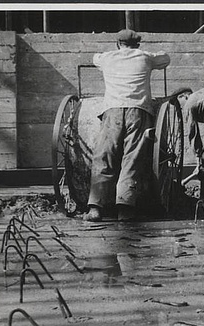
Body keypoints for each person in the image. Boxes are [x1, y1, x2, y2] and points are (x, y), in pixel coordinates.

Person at [84, 29, 170, 222]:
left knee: (104, 155)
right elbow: (165, 59)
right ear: (137, 44)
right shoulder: (145, 56)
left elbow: (94, 57)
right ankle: (125, 208)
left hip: (112, 110)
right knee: (132, 159)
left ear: (118, 43)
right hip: (138, 111)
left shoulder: (107, 57)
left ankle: (95, 207)